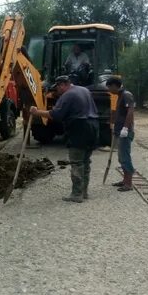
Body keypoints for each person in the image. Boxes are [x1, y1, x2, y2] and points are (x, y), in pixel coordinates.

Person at [30, 75, 99, 203]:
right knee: (85, 161)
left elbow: (56, 115)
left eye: (57, 88)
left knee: (77, 162)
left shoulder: (68, 95)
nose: (57, 91)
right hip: (93, 127)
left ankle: (77, 194)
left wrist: (36, 112)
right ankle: (84, 192)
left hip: (80, 129)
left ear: (62, 85)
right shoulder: (84, 90)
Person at [106, 77, 135, 191]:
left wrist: (125, 128)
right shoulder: (119, 96)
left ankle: (128, 184)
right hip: (119, 131)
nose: (109, 90)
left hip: (125, 132)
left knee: (125, 157)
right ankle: (125, 180)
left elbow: (130, 111)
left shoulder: (127, 95)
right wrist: (113, 123)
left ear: (114, 85)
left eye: (109, 87)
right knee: (121, 157)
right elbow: (117, 112)